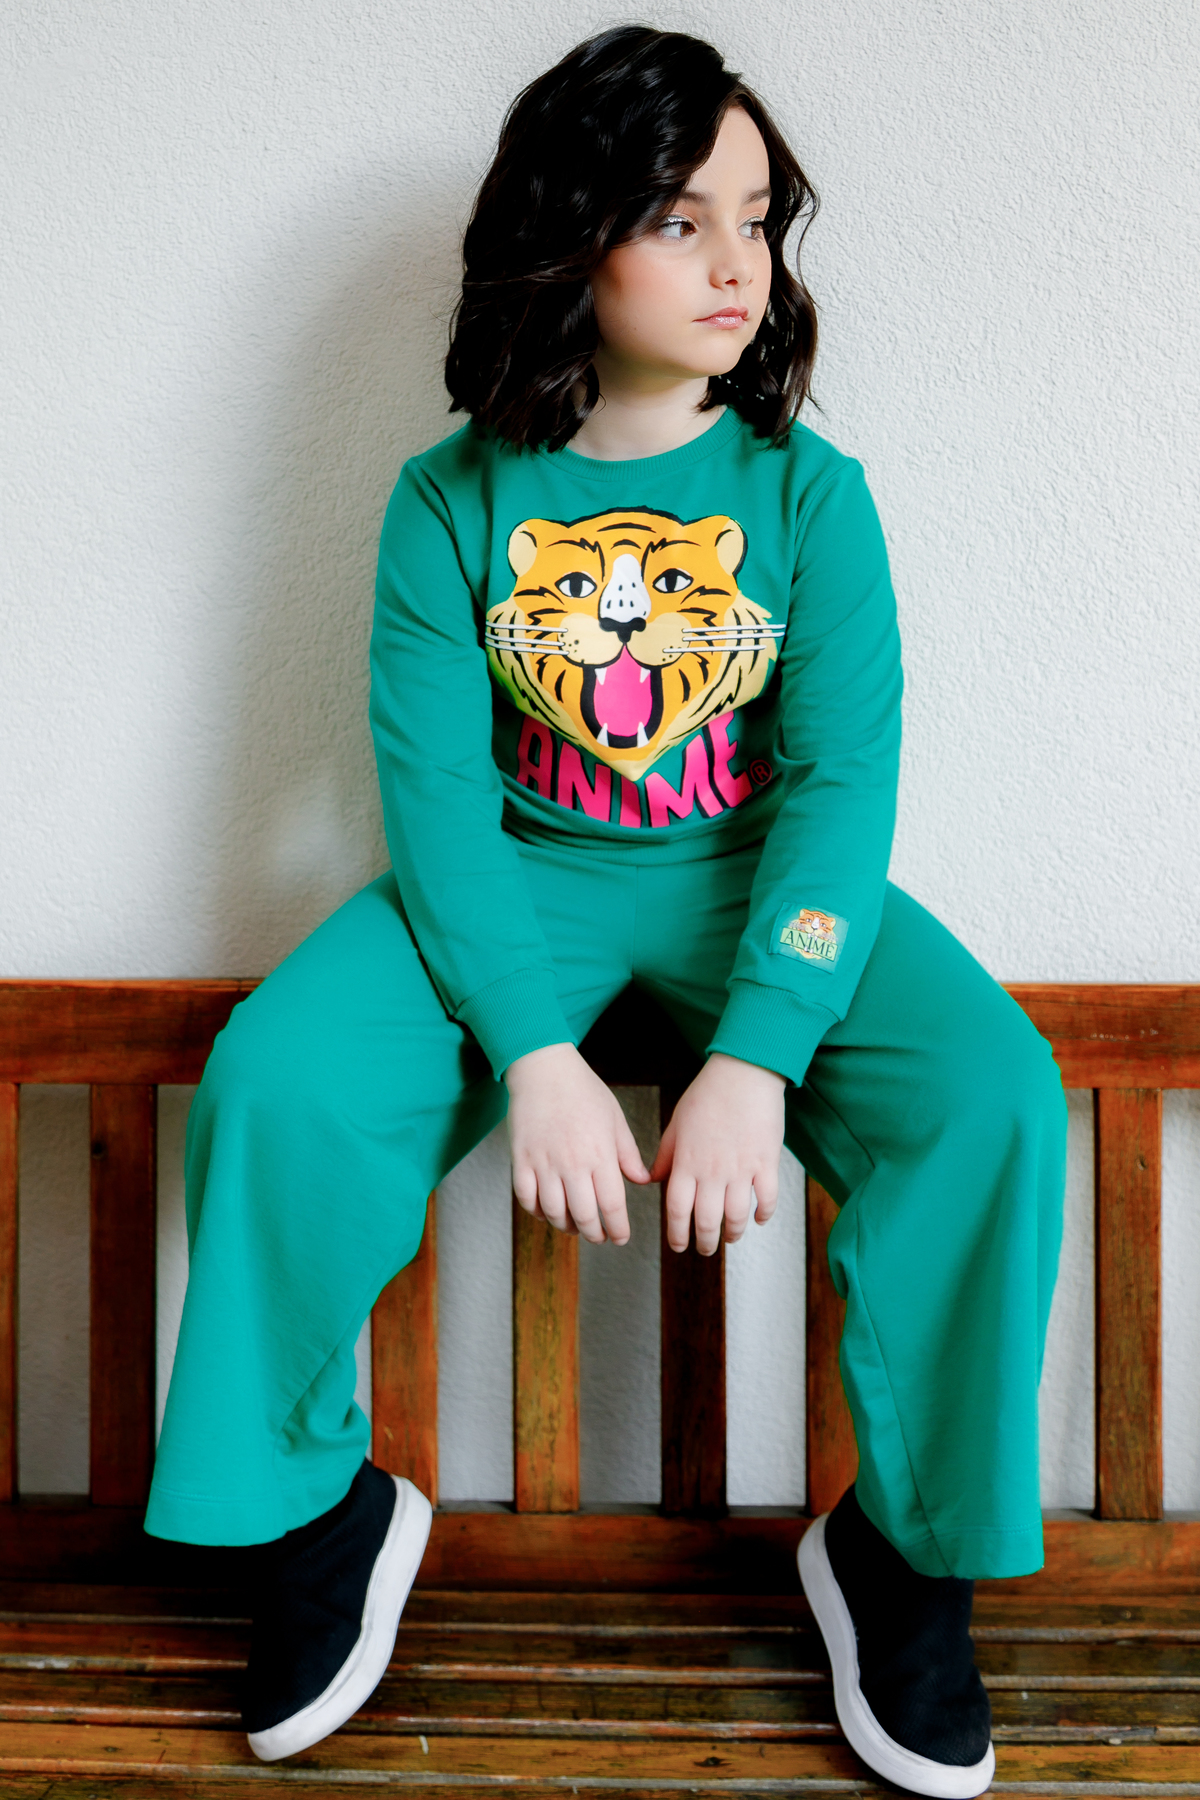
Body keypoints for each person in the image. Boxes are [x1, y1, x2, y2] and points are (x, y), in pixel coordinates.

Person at [144, 26, 1067, 1795]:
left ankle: (902, 1555)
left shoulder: (811, 496)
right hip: (511, 881)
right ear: (572, 236)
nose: (738, 263)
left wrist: (761, 1055)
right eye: (680, 218)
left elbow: (840, 790)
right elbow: (432, 802)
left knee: (994, 1093)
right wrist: (536, 1053)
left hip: (762, 891)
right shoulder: (447, 500)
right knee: (280, 1077)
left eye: (758, 218)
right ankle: (318, 1514)